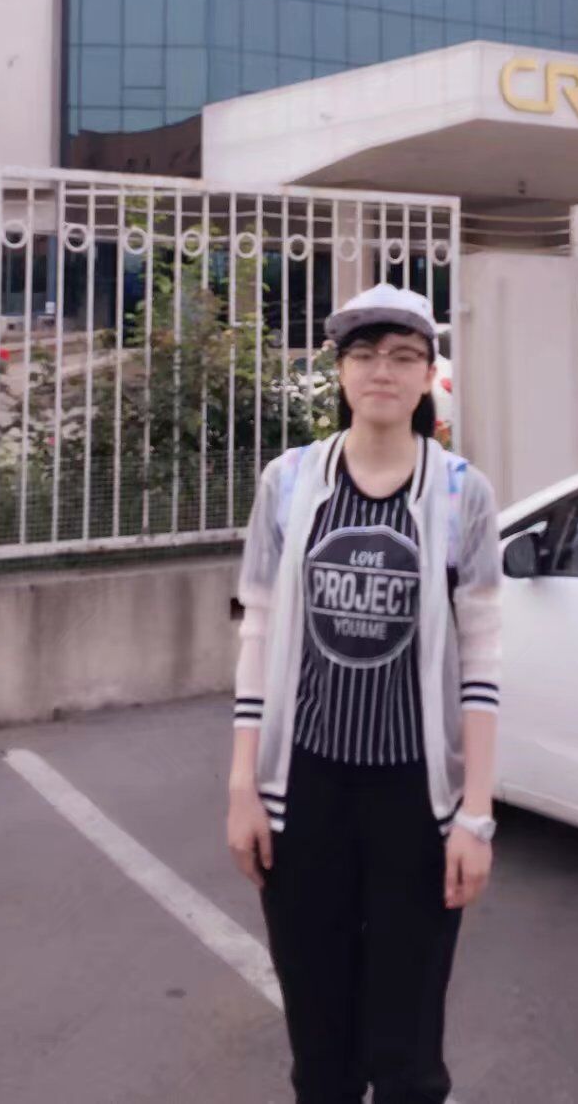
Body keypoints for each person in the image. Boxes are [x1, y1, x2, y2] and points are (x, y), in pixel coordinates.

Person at [227, 282, 502, 1104]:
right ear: (341, 371)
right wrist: (243, 785)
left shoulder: (461, 492)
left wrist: (475, 815)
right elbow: (257, 628)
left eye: (404, 355)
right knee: (319, 1043)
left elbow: (482, 655)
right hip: (304, 789)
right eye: (365, 353)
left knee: (408, 1047)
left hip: (415, 798)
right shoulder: (289, 481)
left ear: (427, 376)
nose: (383, 369)